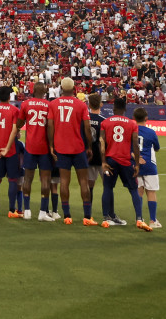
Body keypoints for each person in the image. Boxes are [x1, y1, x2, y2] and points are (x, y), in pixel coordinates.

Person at [48, 77, 95, 226]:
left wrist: (51, 145)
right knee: (83, 181)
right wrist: (89, 146)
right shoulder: (81, 105)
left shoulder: (53, 104)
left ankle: (67, 215)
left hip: (61, 148)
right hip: (78, 147)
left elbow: (50, 126)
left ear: (61, 88)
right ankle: (87, 216)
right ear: (74, 88)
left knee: (64, 181)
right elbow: (87, 128)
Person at [99, 97, 149, 230]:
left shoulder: (105, 122)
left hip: (110, 160)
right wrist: (137, 164)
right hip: (126, 161)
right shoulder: (132, 124)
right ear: (125, 109)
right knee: (133, 189)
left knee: (108, 188)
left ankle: (106, 218)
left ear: (113, 108)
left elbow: (102, 143)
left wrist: (103, 162)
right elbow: (135, 145)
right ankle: (139, 219)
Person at [18, 83, 55, 221]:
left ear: (33, 91)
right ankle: (42, 213)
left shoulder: (26, 104)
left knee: (28, 178)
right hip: (44, 147)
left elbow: (20, 123)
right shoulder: (49, 105)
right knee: (45, 180)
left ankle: (27, 210)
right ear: (45, 91)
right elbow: (51, 126)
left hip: (30, 146)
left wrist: (17, 127)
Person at [0, 86, 22, 218]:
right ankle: (12, 210)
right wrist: (7, 147)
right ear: (9, 96)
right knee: (12, 180)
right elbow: (14, 130)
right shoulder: (14, 110)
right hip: (10, 150)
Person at [135, 108, 161, 229]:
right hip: (149, 165)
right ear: (146, 118)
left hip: (136, 164)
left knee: (139, 191)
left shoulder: (131, 131)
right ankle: (152, 220)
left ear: (134, 118)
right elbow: (157, 147)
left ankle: (139, 219)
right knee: (151, 192)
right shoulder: (151, 132)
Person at [86, 93, 105, 206]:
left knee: (89, 185)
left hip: (88, 155)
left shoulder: (85, 119)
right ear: (101, 104)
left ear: (89, 104)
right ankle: (107, 214)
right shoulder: (104, 121)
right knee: (107, 186)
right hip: (101, 156)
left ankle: (88, 213)